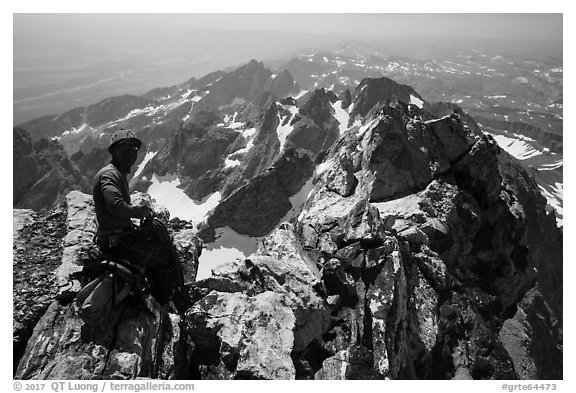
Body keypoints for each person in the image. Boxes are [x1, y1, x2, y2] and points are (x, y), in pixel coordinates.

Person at [92, 129, 185, 310]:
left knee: (159, 247)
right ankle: (159, 305)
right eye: (128, 146)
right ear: (116, 150)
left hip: (118, 237)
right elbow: (115, 205)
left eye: (135, 147)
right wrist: (138, 212)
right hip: (116, 241)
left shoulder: (116, 173)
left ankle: (148, 291)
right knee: (166, 257)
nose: (133, 150)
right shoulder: (109, 175)